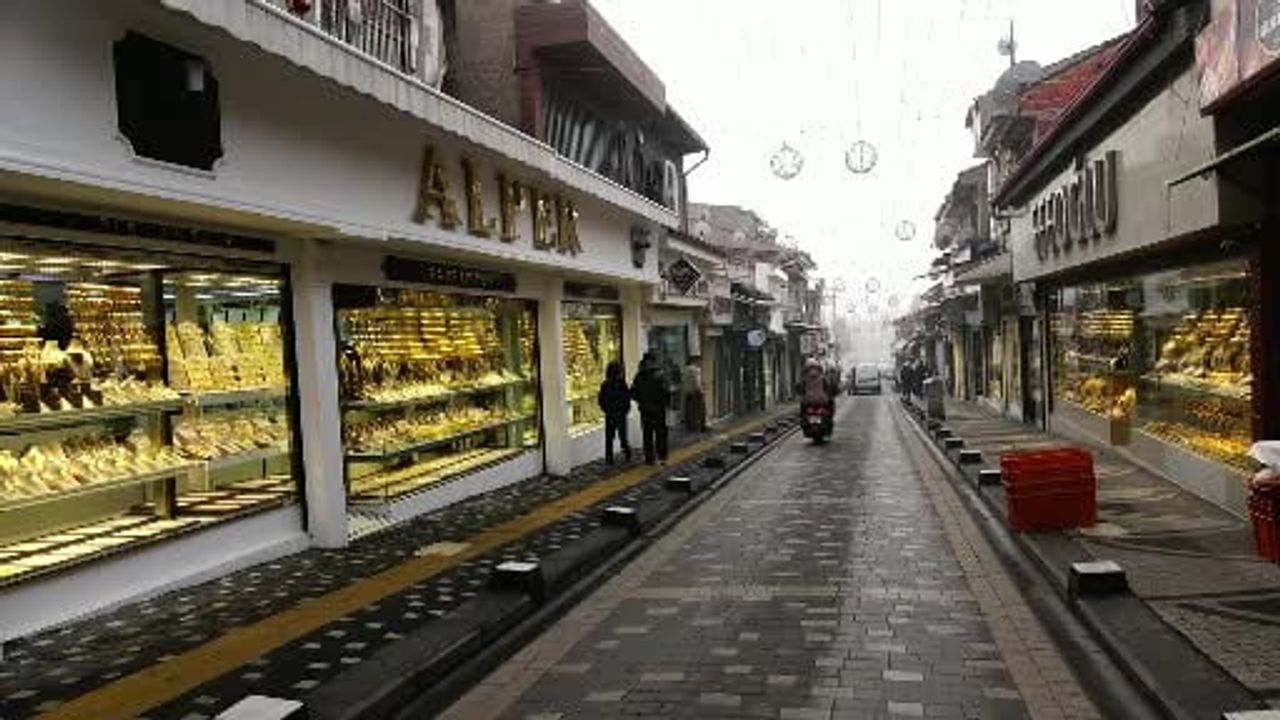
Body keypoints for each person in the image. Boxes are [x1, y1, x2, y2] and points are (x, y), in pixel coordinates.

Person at [631, 352, 669, 465]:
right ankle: (661, 456)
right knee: (660, 433)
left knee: (648, 434)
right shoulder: (659, 374)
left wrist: (641, 401)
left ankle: (650, 458)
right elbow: (665, 391)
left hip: (646, 409)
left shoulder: (639, 375)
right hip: (657, 409)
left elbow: (633, 392)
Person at [596, 360, 632, 465]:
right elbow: (627, 398)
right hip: (620, 413)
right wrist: (625, 409)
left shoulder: (605, 384)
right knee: (623, 437)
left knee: (609, 438)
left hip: (610, 414)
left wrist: (606, 409)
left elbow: (601, 400)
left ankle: (609, 458)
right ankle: (626, 451)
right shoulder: (621, 383)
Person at [682, 356, 706, 433]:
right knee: (700, 410)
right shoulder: (695, 370)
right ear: (695, 361)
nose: (700, 363)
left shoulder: (685, 369)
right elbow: (697, 383)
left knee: (689, 411)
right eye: (700, 361)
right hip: (696, 393)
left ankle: (690, 427)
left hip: (688, 393)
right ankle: (701, 427)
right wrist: (701, 391)